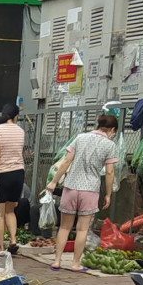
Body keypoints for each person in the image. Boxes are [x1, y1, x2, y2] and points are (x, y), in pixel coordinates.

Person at [47, 115, 118, 272]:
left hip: (71, 187)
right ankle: (75, 264)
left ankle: (57, 261)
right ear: (112, 130)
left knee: (64, 227)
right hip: (90, 190)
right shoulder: (110, 145)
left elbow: (66, 161)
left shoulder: (80, 138)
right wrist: (108, 194)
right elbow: (110, 172)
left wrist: (53, 182)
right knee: (82, 229)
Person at [0, 103, 25, 255]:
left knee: (0, 214)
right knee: (11, 211)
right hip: (18, 173)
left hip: (2, 173)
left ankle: (0, 247)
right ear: (16, 116)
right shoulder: (20, 130)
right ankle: (14, 240)